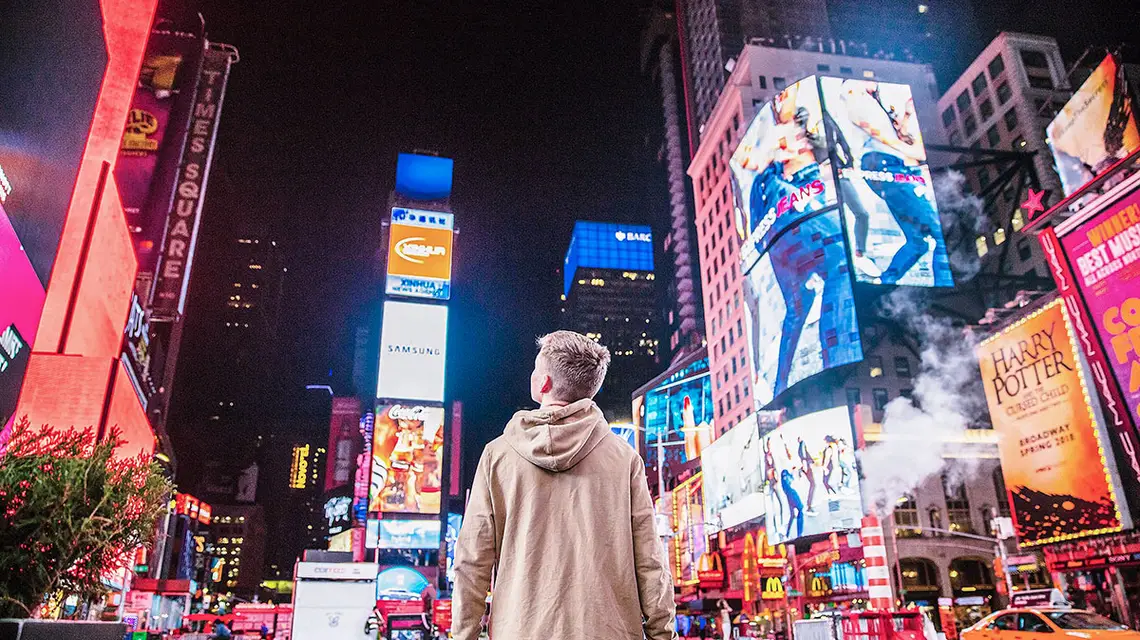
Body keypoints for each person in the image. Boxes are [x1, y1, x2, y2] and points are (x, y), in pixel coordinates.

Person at [452, 330, 677, 640]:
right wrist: (662, 634)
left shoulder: (498, 455)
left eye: (536, 368)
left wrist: (464, 635)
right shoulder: (624, 459)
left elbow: (472, 560)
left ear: (543, 382)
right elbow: (650, 562)